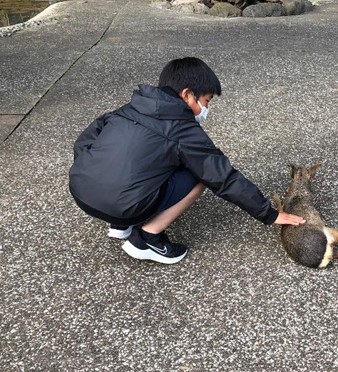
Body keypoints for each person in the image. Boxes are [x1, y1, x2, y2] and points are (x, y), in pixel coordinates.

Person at [69, 57, 305, 264]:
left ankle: (120, 224)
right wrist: (268, 214)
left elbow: (83, 142)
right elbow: (223, 177)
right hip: (123, 205)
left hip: (81, 191)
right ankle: (147, 238)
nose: (205, 108)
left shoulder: (128, 109)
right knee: (199, 174)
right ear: (186, 94)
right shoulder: (183, 130)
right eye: (206, 100)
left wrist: (89, 172)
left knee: (140, 161)